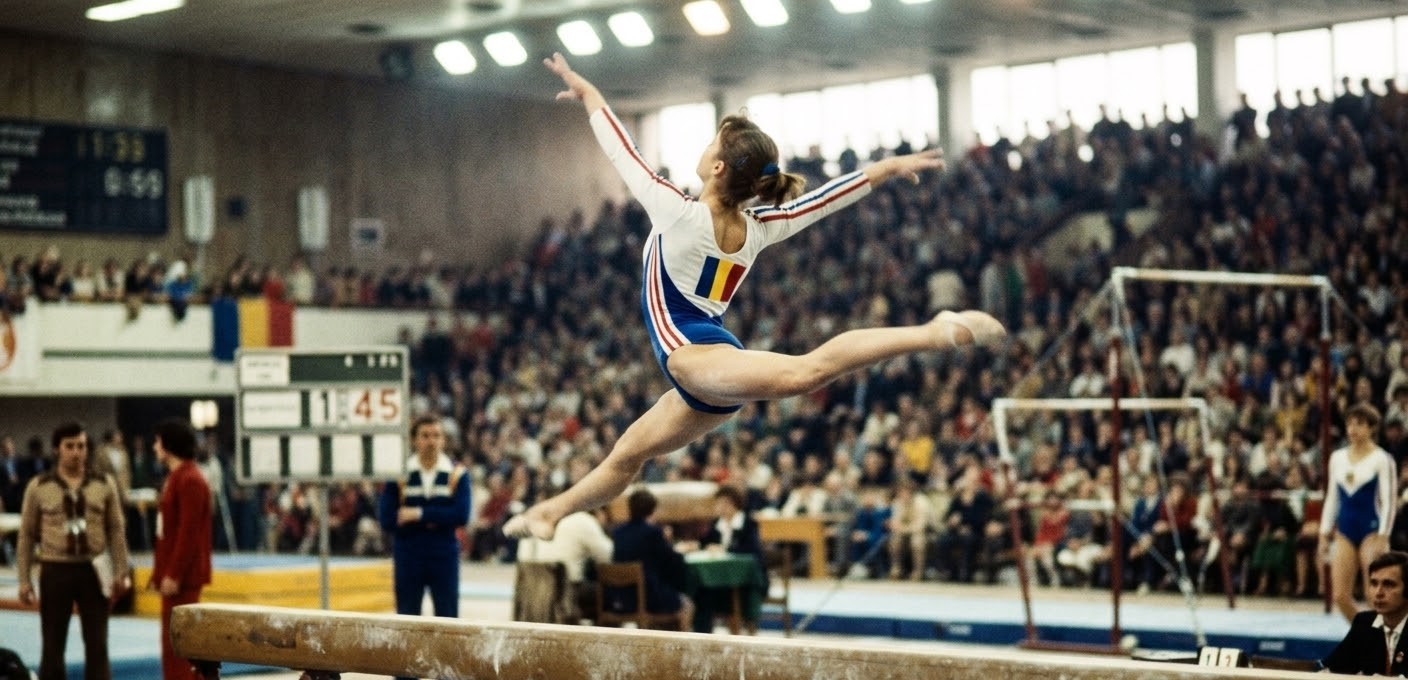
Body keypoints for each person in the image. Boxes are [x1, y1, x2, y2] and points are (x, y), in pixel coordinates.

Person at [505, 52, 1006, 542]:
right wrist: (884, 168)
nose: (703, 149)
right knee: (627, 457)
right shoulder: (760, 225)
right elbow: (824, 200)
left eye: (709, 143)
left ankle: (935, 331)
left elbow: (622, 151)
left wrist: (590, 92)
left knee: (804, 373)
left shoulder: (677, 213)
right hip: (707, 372)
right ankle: (552, 512)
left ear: (719, 166)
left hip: (696, 358)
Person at [16, 422, 131, 680]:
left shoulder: (104, 484)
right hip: (56, 570)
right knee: (53, 647)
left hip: (94, 569)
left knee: (98, 645)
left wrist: (122, 571)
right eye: (70, 446)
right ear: (57, 449)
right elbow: (26, 536)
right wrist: (24, 580)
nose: (76, 452)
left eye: (81, 446)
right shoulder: (39, 487)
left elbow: (115, 529)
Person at [378, 415, 470, 629]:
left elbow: (461, 516)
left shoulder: (457, 474)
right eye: (425, 436)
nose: (431, 441)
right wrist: (440, 517)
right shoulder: (398, 474)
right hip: (409, 554)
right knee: (407, 620)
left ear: (444, 440)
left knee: (448, 621)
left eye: (436, 436)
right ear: (414, 440)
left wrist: (417, 514)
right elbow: (387, 519)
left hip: (443, 554)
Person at [1321, 403, 1397, 622]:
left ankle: (1386, 636)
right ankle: (1365, 634)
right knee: (1340, 595)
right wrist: (1324, 533)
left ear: (1372, 428)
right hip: (1345, 531)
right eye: (1350, 424)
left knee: (1374, 595)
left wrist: (1384, 535)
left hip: (1371, 532)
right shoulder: (1337, 458)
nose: (1353, 429)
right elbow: (1332, 499)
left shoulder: (1382, 459)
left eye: (1360, 424)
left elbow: (1389, 501)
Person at [148, 418, 211, 680]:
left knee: (180, 647)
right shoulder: (177, 477)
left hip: (183, 579)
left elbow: (188, 534)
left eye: (157, 441)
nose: (154, 447)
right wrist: (159, 573)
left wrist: (174, 574)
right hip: (173, 576)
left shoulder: (190, 480)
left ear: (167, 445)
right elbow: (167, 534)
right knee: (172, 646)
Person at [608, 488, 692, 631]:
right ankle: (683, 649)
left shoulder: (618, 533)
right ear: (652, 509)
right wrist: (670, 544)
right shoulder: (653, 532)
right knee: (687, 604)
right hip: (648, 597)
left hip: (621, 598)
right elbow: (670, 562)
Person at [1322, 550, 1408, 675]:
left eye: (1388, 584)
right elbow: (1331, 670)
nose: (1379, 593)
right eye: (1374, 583)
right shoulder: (1364, 623)